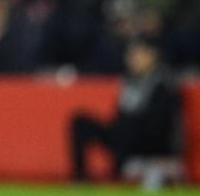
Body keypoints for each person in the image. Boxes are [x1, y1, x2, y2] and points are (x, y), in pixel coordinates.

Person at [69, 36, 181, 182]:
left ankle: (117, 172)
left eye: (138, 54)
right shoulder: (130, 80)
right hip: (123, 136)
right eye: (130, 55)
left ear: (152, 55)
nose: (132, 59)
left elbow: (159, 124)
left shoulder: (162, 83)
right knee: (81, 122)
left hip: (150, 143)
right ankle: (81, 176)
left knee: (128, 125)